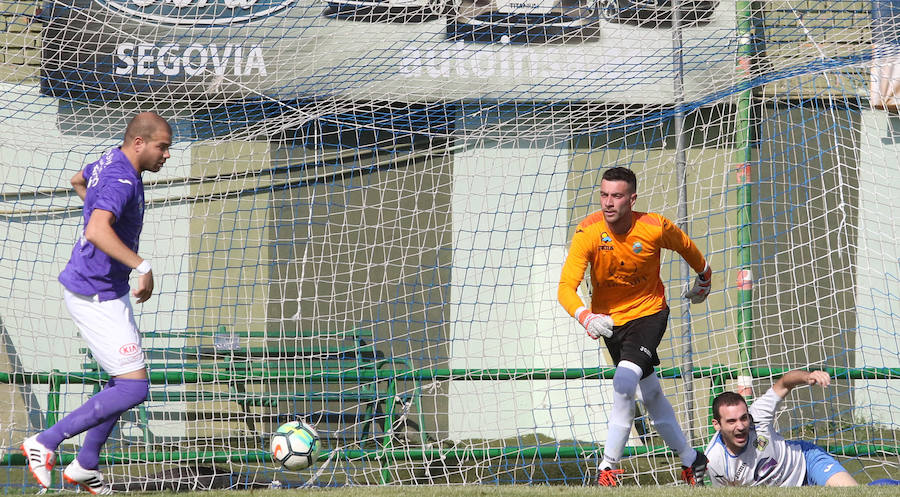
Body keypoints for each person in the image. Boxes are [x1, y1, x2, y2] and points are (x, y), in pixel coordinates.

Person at [20, 112, 171, 494]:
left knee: (121, 379)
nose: (166, 155)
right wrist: (142, 265)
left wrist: (100, 224)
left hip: (105, 287)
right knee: (133, 389)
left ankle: (85, 465)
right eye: (162, 146)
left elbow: (79, 180)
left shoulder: (110, 158)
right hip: (95, 293)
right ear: (139, 143)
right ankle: (45, 441)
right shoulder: (121, 179)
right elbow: (96, 228)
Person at [557, 166, 713, 486]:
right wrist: (586, 316)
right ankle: (692, 460)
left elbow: (686, 246)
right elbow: (565, 288)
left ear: (632, 198)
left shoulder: (654, 227)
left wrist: (704, 276)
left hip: (649, 313)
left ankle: (608, 467)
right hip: (609, 323)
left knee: (624, 382)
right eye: (604, 195)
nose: (608, 203)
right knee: (652, 394)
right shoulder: (588, 232)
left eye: (616, 196)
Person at [705, 370, 858, 487]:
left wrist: (808, 376)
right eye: (731, 421)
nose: (740, 426)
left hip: (806, 462)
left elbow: (784, 383)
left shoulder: (758, 415)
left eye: (743, 418)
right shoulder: (714, 459)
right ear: (717, 424)